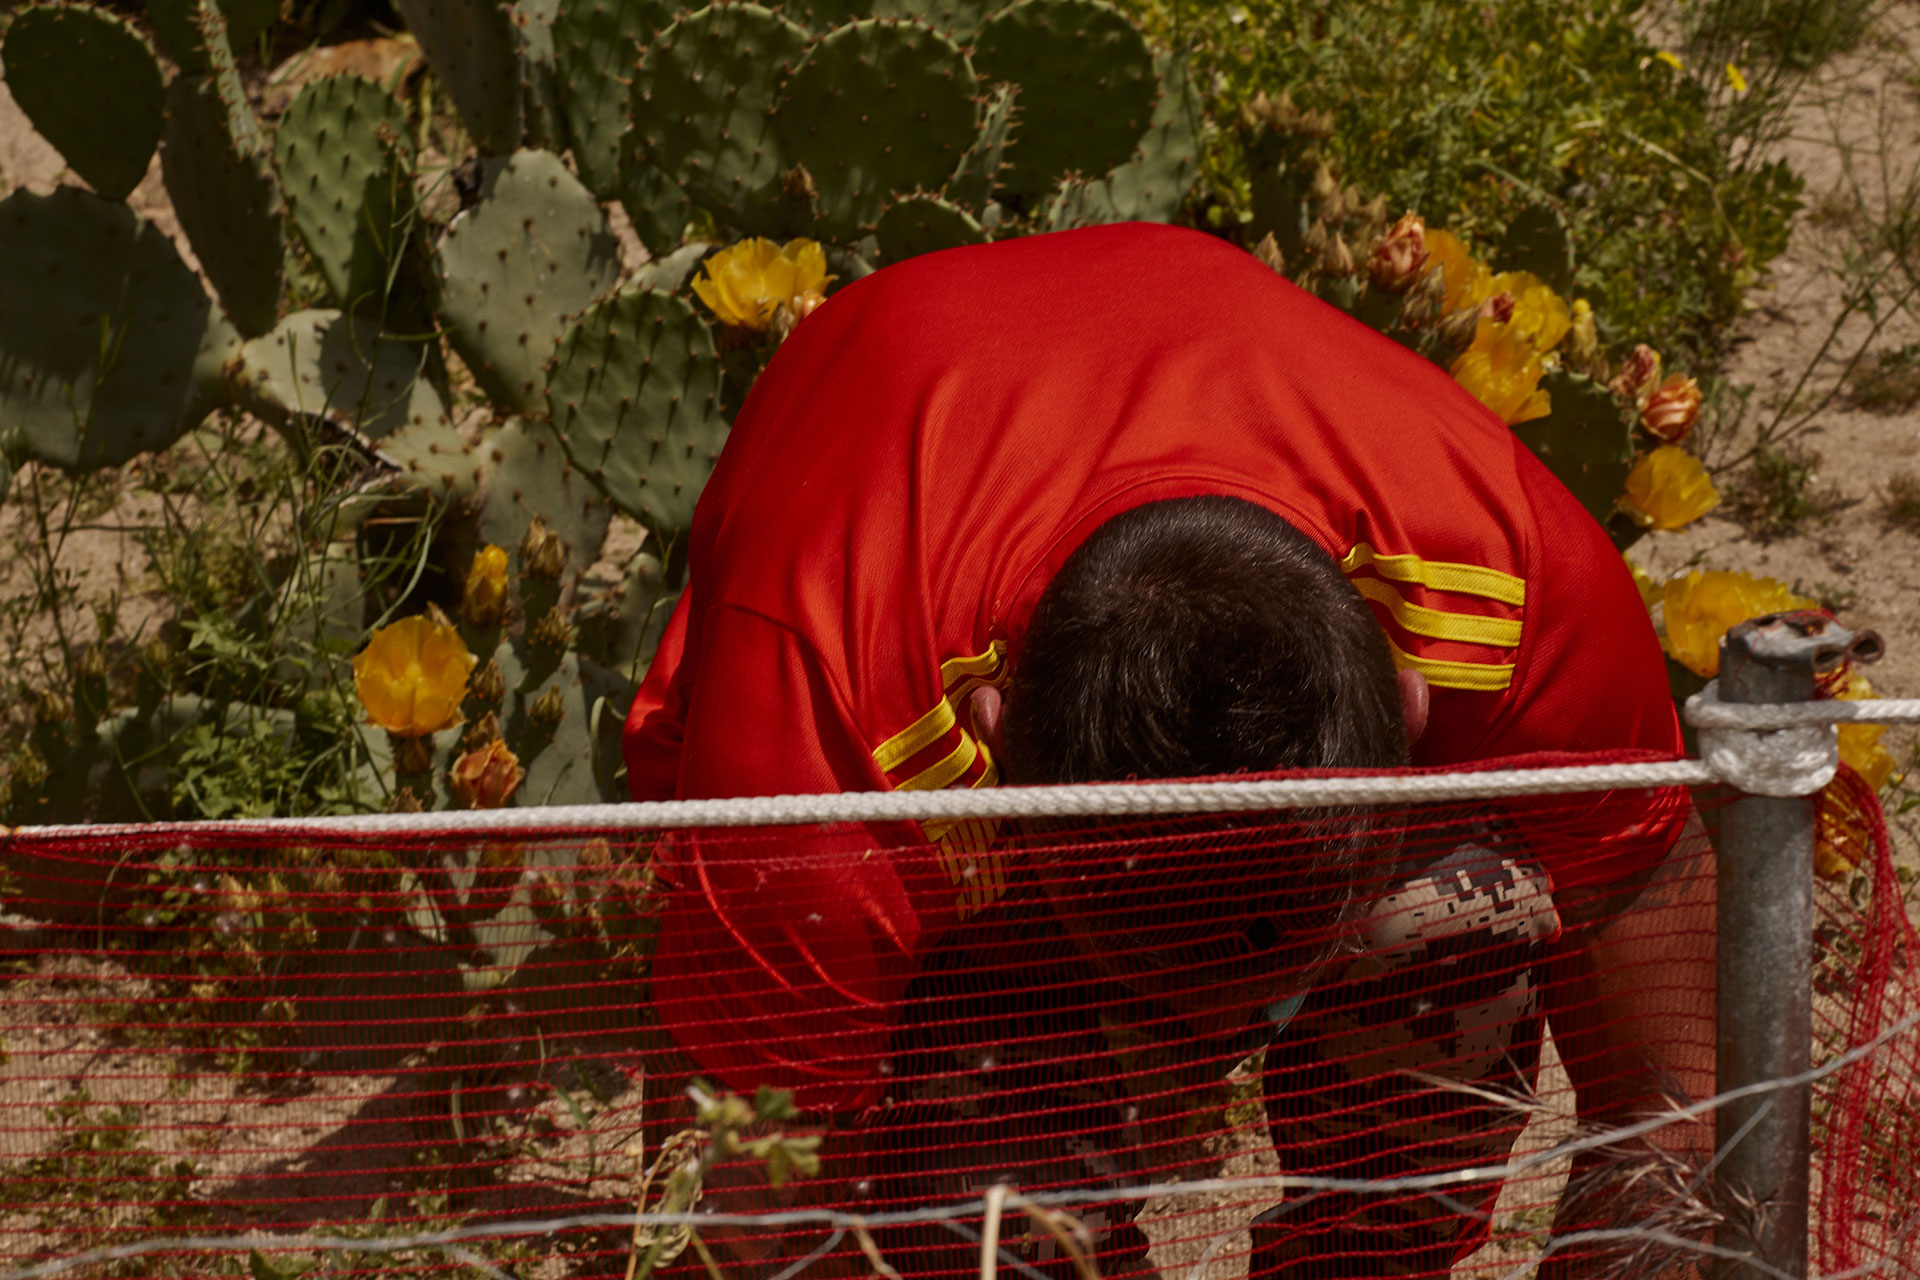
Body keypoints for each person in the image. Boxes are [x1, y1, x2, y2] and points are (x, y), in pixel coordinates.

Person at [622, 223, 1715, 1279]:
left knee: (1465, 911)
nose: (1212, 1066)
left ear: (1411, 701)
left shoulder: (1513, 565)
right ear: (994, 738)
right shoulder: (823, 743)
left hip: (1201, 394)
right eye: (1173, 1009)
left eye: (1248, 1005)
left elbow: (1679, 1094)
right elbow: (741, 1225)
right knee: (976, 1197)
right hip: (921, 806)